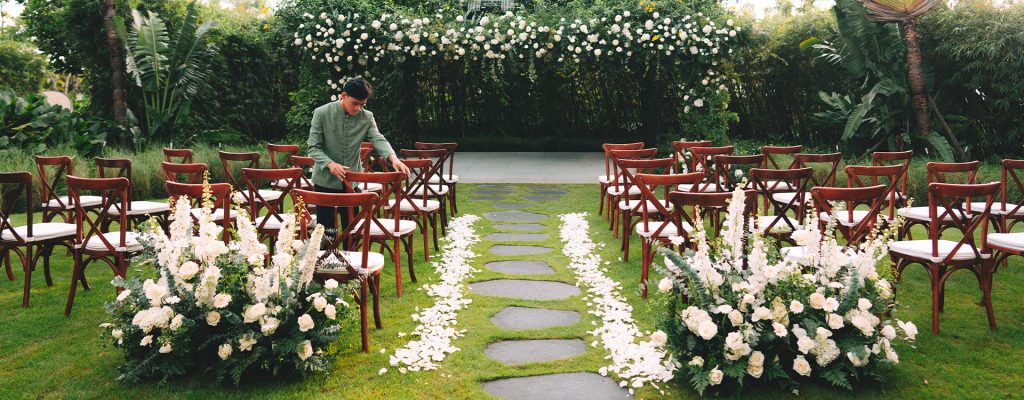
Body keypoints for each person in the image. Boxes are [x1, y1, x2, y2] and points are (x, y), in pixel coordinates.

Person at [307, 77, 409, 233]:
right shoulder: (321, 113)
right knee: (326, 233)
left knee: (352, 230)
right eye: (355, 103)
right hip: (324, 181)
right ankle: (328, 257)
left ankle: (349, 257)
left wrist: (393, 158)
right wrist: (330, 164)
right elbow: (313, 147)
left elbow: (378, 138)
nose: (358, 109)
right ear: (343, 95)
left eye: (362, 105)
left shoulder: (367, 117)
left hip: (352, 181)